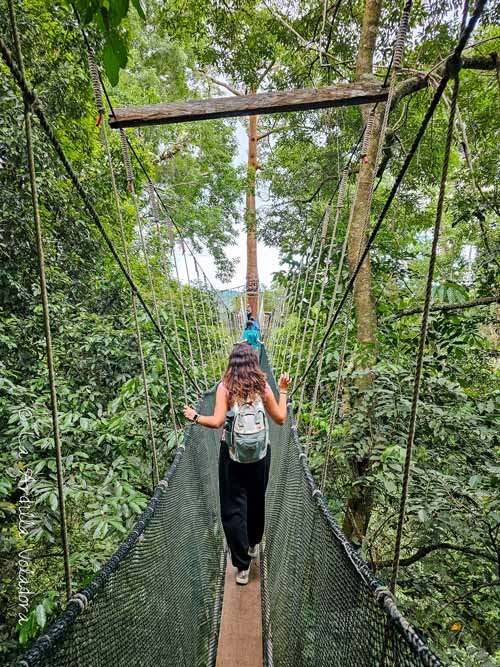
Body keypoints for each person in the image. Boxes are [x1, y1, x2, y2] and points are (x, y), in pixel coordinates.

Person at [183, 343, 291, 585]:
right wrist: (283, 390)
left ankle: (242, 568)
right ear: (254, 362)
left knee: (233, 509)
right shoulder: (262, 386)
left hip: (232, 456)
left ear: (232, 363)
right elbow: (281, 419)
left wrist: (196, 416)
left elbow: (217, 421)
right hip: (261, 455)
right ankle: (253, 543)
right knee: (255, 500)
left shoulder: (226, 387)